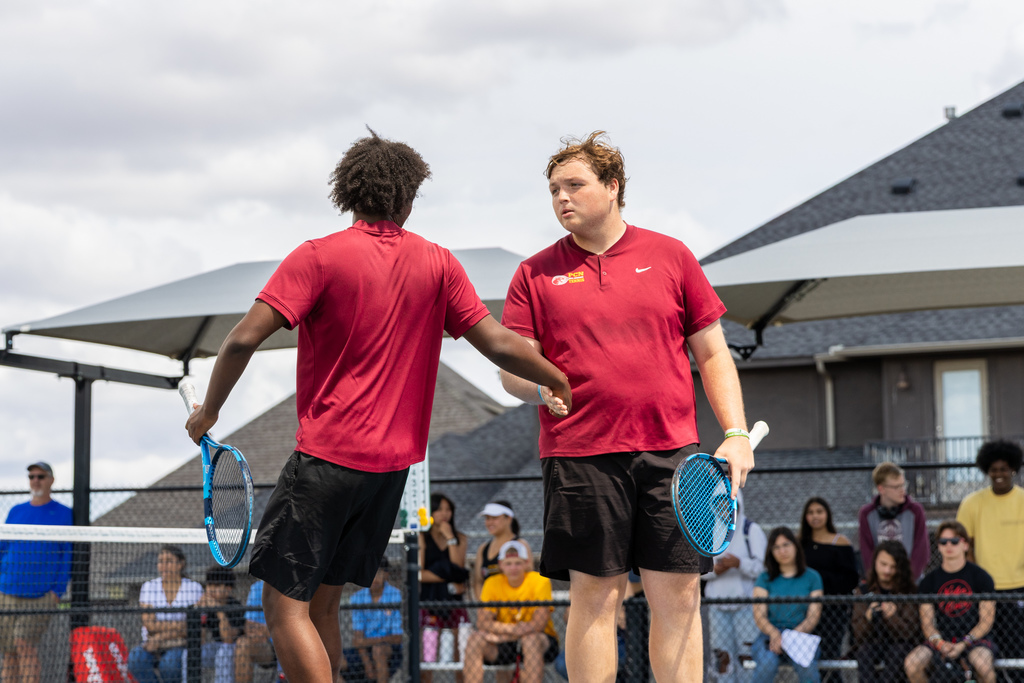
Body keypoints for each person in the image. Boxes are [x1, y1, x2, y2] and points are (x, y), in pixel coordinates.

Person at [185, 130, 572, 683]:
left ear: (347, 192)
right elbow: (499, 343)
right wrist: (557, 376)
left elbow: (243, 338)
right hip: (389, 472)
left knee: (280, 609)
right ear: (409, 198)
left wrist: (209, 414)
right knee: (322, 607)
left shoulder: (318, 256)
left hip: (327, 460)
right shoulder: (439, 263)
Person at [499, 131, 754, 683]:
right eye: (552, 190)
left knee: (681, 595)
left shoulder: (670, 255)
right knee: (595, 596)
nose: (561, 198)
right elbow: (510, 372)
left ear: (613, 187)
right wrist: (538, 385)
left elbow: (712, 353)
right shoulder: (533, 273)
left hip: (674, 457)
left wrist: (735, 432)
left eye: (574, 185)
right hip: (579, 455)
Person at [956, 439, 1024, 673]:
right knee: (985, 652)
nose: (998, 474)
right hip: (985, 591)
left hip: (1019, 587)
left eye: (1004, 469)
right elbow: (965, 546)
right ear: (986, 470)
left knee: (1017, 652)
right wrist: (977, 578)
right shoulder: (972, 503)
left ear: (1013, 469)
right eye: (993, 469)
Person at [0, 461, 72, 683]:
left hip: (40, 595)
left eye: (40, 476)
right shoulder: (16, 511)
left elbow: (68, 556)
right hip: (7, 592)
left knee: (24, 645)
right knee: (9, 653)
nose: (35, 481)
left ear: (51, 479)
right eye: (31, 477)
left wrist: (56, 592)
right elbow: (3, 548)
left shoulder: (64, 514)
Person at [904, 520, 996, 683]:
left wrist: (964, 642)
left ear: (965, 545)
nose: (949, 545)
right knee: (912, 663)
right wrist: (940, 643)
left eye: (954, 541)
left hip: (974, 639)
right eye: (943, 541)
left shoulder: (981, 577)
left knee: (983, 666)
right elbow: (927, 623)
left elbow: (986, 620)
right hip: (941, 639)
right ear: (938, 546)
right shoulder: (929, 582)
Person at [464, 541, 559, 683]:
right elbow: (482, 622)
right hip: (506, 642)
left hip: (540, 640)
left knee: (530, 640)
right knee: (475, 640)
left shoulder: (539, 580)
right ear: (501, 565)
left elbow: (539, 624)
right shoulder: (492, 582)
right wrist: (512, 632)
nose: (513, 568)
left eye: (518, 563)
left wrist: (503, 635)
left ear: (527, 563)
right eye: (508, 563)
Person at [702, 491, 766, 683]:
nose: (724, 507)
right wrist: (717, 570)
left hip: (747, 606)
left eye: (728, 502)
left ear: (738, 503)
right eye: (719, 503)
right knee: (722, 658)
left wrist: (739, 564)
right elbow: (700, 571)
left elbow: (763, 569)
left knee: (747, 655)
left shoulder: (751, 530)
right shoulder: (709, 530)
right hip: (716, 606)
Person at [751, 526, 823, 683]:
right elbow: (759, 615)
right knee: (767, 665)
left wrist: (791, 638)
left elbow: (814, 615)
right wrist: (775, 634)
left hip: (800, 635)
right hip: (769, 636)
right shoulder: (764, 578)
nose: (782, 551)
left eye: (786, 545)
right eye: (776, 547)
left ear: (795, 546)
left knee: (807, 669)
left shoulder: (812, 577)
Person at [798, 497, 859, 677]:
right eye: (810, 512)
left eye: (819, 511)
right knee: (808, 657)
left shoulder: (840, 542)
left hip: (834, 609)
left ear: (827, 515)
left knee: (830, 656)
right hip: (805, 609)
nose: (815, 516)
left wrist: (819, 579)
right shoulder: (799, 544)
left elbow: (850, 578)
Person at [128, 545, 204, 683]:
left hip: (181, 644)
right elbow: (150, 624)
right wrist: (178, 627)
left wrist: (161, 636)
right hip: (150, 643)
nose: (163, 565)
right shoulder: (149, 587)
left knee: (169, 666)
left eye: (168, 561)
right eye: (160, 561)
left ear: (181, 564)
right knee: (135, 659)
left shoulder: (194, 588)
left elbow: (193, 627)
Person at [851, 540, 920, 683]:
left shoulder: (908, 591)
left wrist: (893, 617)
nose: (887, 571)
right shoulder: (863, 591)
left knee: (899, 650)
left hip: (900, 645)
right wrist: (868, 618)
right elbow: (857, 634)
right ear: (875, 561)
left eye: (893, 567)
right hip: (873, 642)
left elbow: (910, 633)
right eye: (883, 564)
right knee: (864, 652)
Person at [419, 493, 469, 681]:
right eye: (439, 509)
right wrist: (447, 576)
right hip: (429, 601)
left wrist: (450, 539)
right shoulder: (421, 537)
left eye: (448, 509)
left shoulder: (460, 538)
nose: (444, 514)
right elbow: (420, 574)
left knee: (460, 653)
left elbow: (457, 568)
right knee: (427, 656)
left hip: (454, 601)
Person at [858, 462, 929, 580]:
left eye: (903, 485)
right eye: (896, 487)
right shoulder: (867, 514)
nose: (902, 490)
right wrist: (878, 579)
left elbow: (921, 549)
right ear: (881, 489)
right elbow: (866, 551)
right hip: (880, 581)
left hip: (910, 581)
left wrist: (907, 579)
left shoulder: (915, 511)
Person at [343, 559, 403, 683]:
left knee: (378, 650)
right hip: (365, 649)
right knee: (334, 659)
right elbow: (357, 640)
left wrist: (373, 642)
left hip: (389, 649)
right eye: (370, 573)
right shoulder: (357, 598)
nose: (374, 578)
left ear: (386, 575)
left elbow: (397, 638)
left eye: (378, 573)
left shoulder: (396, 595)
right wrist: (367, 664)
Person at [472, 501, 533, 599]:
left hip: (515, 606)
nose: (489, 522)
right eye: (487, 518)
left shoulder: (521, 544)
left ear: (508, 519)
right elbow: (478, 581)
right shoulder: (483, 548)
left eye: (494, 518)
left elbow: (529, 578)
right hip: (490, 609)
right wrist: (483, 606)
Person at [197, 566, 245, 683]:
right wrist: (201, 612)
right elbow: (200, 640)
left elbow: (228, 639)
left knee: (224, 652)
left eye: (217, 586)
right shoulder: (206, 605)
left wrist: (219, 611)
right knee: (190, 653)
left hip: (236, 650)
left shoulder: (235, 606)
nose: (211, 590)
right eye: (209, 585)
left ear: (228, 589)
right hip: (216, 648)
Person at [233, 580, 277, 683]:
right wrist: (266, 631)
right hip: (268, 645)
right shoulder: (257, 587)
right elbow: (249, 626)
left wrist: (268, 630)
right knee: (243, 644)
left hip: (292, 641)